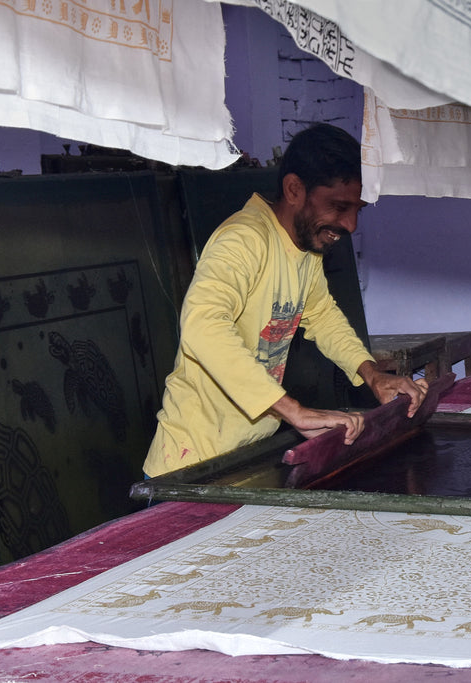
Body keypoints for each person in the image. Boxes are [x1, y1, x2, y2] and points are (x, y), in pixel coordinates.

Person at [144, 123, 427, 477]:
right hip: (191, 463)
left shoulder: (304, 248)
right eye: (339, 206)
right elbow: (202, 326)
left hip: (247, 454)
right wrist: (294, 411)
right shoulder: (243, 240)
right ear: (294, 189)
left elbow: (322, 316)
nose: (351, 224)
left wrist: (371, 375)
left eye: (358, 210)